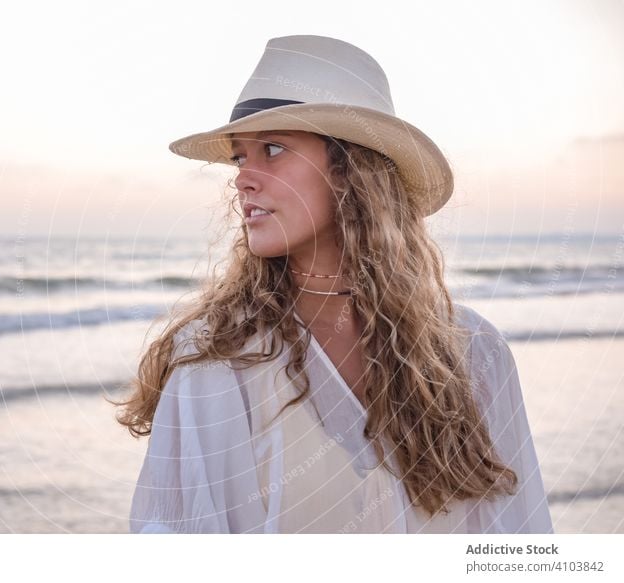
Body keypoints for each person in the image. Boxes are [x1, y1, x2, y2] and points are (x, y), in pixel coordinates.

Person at [113, 35, 553, 533]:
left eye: (273, 149)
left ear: (351, 170)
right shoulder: (217, 359)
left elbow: (519, 534)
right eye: (240, 158)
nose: (243, 179)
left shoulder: (475, 351)